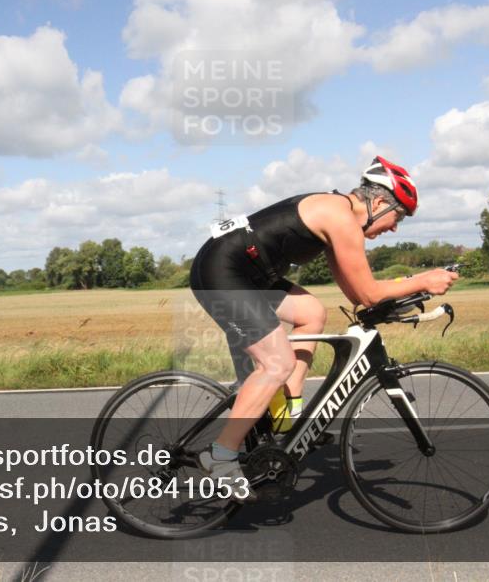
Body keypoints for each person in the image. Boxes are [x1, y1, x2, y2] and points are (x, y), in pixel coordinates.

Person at [188, 156, 458, 500]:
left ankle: (287, 413)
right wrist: (423, 279)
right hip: (223, 272)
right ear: (378, 202)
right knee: (277, 363)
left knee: (312, 312)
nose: (394, 228)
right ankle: (221, 456)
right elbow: (366, 293)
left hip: (246, 272)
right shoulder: (340, 218)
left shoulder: (338, 216)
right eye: (398, 216)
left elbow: (355, 293)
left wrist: (408, 289)